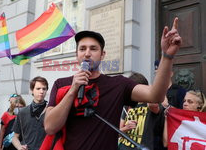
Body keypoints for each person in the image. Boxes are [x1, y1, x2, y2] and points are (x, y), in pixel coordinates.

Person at [43, 17, 182, 150]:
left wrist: (167, 56)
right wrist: (73, 89)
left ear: (102, 54)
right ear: (76, 55)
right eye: (82, 49)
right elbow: (50, 127)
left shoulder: (118, 84)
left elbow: (155, 95)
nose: (87, 53)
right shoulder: (61, 84)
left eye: (93, 48)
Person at [118, 73, 164, 150]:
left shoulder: (150, 104)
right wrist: (126, 128)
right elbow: (118, 132)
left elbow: (154, 103)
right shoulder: (127, 105)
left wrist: (151, 90)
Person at [12, 76, 47, 150]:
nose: (41, 91)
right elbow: (14, 137)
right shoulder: (23, 112)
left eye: (44, 89)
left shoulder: (51, 110)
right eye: (38, 88)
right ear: (32, 90)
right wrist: (19, 147)